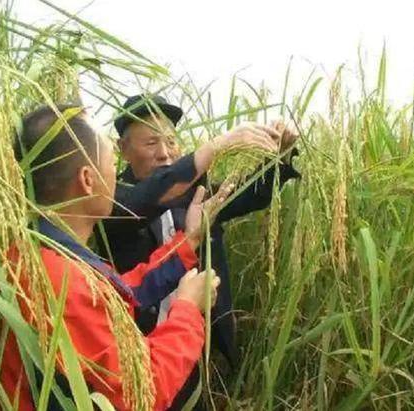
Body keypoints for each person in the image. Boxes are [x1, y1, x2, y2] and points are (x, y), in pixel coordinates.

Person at [0, 104, 230, 411]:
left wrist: (189, 240)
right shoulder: (62, 281)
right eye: (110, 160)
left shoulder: (39, 253)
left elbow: (119, 293)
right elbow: (144, 393)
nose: (116, 176)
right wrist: (187, 309)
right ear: (87, 179)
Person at [96, 94, 300, 409]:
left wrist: (281, 156)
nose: (164, 154)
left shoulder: (197, 190)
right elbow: (146, 199)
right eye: (151, 144)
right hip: (138, 346)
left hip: (194, 342)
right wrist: (215, 146)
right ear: (123, 149)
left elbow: (252, 194)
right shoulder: (113, 199)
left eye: (171, 142)